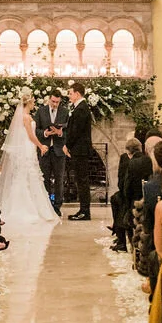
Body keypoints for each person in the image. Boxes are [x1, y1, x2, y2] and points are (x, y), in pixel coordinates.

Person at [0, 93, 59, 229]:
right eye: (33, 102)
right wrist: (41, 145)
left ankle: (35, 206)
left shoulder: (25, 116)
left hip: (28, 148)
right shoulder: (25, 117)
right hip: (27, 147)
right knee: (26, 175)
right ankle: (25, 208)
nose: (34, 104)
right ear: (28, 103)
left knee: (30, 175)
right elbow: (30, 135)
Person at [64, 82, 94, 221]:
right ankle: (82, 209)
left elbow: (76, 131)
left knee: (82, 181)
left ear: (77, 93)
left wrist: (67, 145)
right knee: (80, 180)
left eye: (70, 93)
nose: (69, 96)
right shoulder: (79, 108)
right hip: (78, 149)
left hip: (80, 149)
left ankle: (85, 211)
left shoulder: (81, 109)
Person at [34, 89, 68, 215]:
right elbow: (35, 129)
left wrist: (60, 133)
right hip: (45, 149)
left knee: (59, 179)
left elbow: (68, 131)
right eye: (53, 101)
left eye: (57, 102)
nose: (54, 104)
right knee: (45, 178)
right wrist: (45, 133)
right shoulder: (41, 111)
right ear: (49, 99)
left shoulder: (65, 112)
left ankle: (57, 207)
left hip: (59, 150)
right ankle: (46, 205)